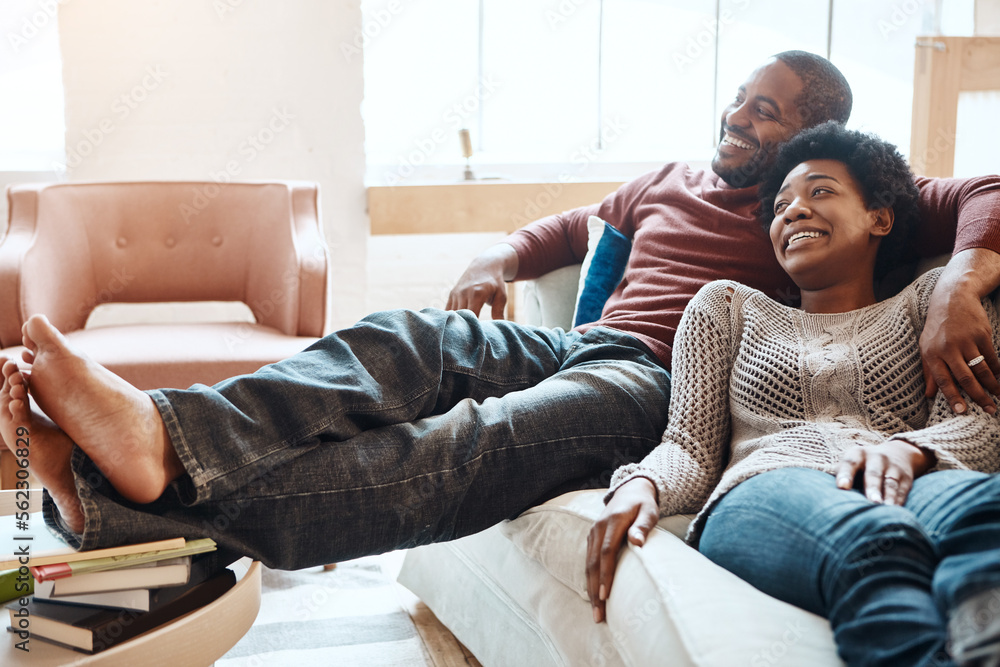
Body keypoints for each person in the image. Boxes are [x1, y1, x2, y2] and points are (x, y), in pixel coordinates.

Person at [1, 51, 999, 570]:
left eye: (766, 111)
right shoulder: (668, 179)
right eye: (738, 100)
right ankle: (159, 440)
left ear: (816, 132)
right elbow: (564, 232)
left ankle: (122, 490)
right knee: (405, 337)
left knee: (457, 444)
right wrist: (494, 253)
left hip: (653, 385)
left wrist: (957, 278)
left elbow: (984, 192)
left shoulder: (815, 200)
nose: (738, 118)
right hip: (570, 340)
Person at [585, 122, 1000, 667]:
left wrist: (909, 449)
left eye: (820, 191)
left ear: (880, 217)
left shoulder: (931, 303)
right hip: (768, 488)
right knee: (875, 541)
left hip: (913, 476)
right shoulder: (728, 307)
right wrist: (644, 482)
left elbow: (983, 425)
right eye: (781, 206)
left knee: (984, 510)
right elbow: (688, 445)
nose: (794, 210)